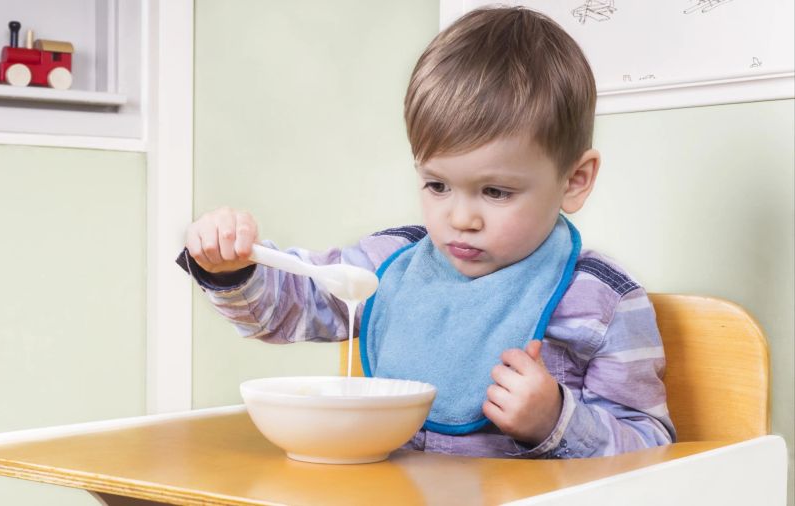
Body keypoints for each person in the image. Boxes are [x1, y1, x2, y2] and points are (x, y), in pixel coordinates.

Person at [177, 6, 676, 458]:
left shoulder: (601, 303)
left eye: (496, 192)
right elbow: (295, 302)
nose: (460, 218)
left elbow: (652, 453)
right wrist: (235, 267)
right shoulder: (391, 262)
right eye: (437, 185)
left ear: (574, 180)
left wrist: (556, 421)